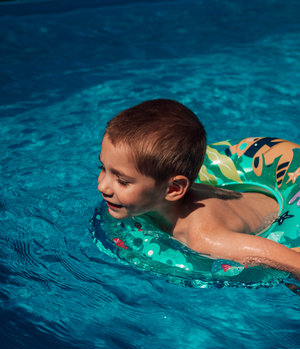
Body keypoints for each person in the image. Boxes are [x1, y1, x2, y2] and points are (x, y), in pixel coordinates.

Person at [97, 99, 300, 279]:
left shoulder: (205, 239)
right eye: (102, 168)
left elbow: (294, 263)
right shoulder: (151, 199)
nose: (102, 186)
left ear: (173, 189)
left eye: (122, 181)